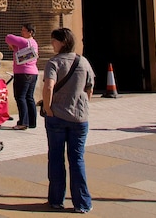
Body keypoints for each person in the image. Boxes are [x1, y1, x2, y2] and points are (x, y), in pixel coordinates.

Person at [42, 28, 95, 213]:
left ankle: (56, 199)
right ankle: (82, 203)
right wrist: (82, 104)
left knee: (56, 158)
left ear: (62, 42)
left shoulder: (54, 62)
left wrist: (48, 108)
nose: (52, 44)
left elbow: (49, 86)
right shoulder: (84, 61)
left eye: (54, 41)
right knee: (77, 159)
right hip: (79, 117)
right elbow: (90, 88)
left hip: (56, 116)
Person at [6, 23, 39, 130]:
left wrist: (13, 44)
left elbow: (8, 37)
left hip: (22, 73)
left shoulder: (24, 41)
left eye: (24, 30)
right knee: (29, 97)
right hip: (33, 73)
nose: (21, 32)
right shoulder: (34, 43)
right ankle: (31, 121)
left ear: (30, 32)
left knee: (20, 97)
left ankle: (23, 122)